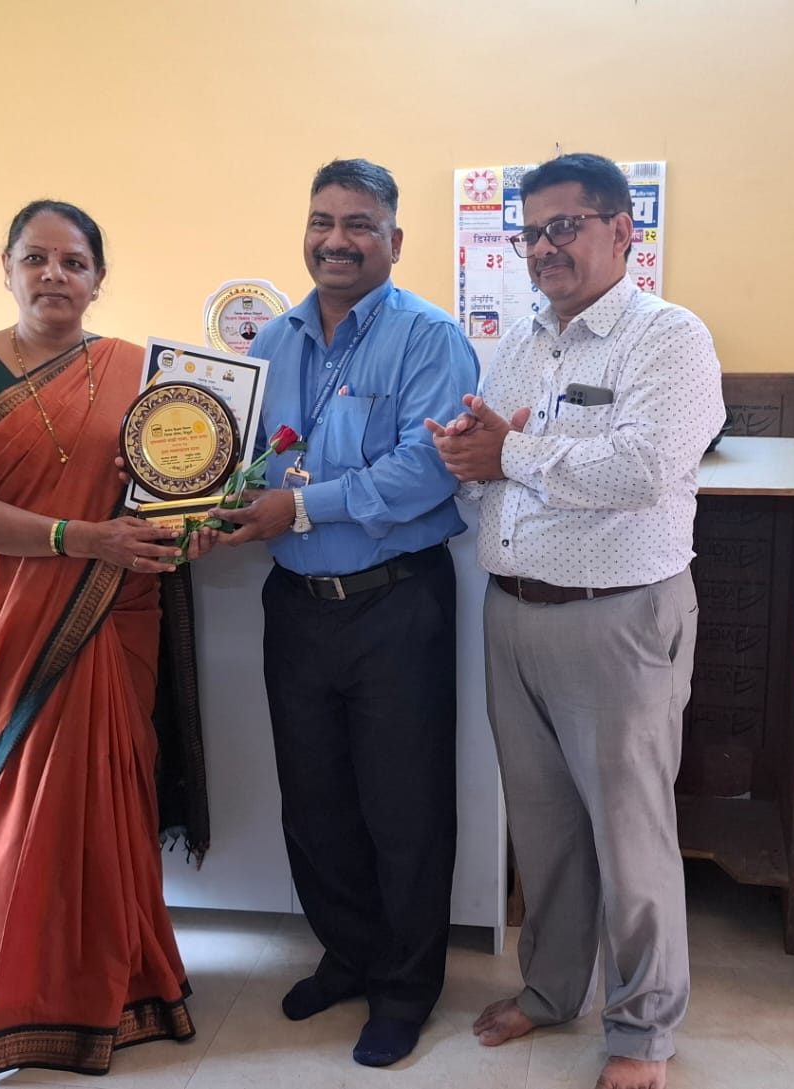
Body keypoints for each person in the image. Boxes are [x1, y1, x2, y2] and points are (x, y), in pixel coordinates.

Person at [427, 152, 724, 1089]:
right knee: (546, 831)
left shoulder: (667, 337)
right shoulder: (519, 341)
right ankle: (554, 990)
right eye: (531, 232)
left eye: (566, 226)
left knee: (630, 839)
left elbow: (643, 468)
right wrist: (467, 457)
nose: (545, 247)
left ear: (622, 230)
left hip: (617, 619)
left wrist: (511, 454)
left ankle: (643, 1032)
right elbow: (495, 464)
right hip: (512, 611)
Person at [0, 200, 199, 1076]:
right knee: (26, 802)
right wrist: (78, 537)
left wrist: (186, 519)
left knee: (114, 792)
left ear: (98, 279)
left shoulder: (137, 369)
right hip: (16, 610)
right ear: (6, 267)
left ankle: (128, 980)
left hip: (116, 608)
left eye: (74, 262)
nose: (54, 275)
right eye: (35, 258)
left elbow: (177, 480)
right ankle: (30, 989)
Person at [214, 159, 479, 1067]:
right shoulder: (268, 342)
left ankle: (405, 987)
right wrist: (202, 499)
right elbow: (239, 457)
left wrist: (298, 506)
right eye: (322, 221)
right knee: (315, 801)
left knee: (405, 807)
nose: (337, 239)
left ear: (394, 240)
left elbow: (423, 470)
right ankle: (350, 953)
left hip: (396, 604)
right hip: (296, 607)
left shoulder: (429, 338)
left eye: (360, 224)